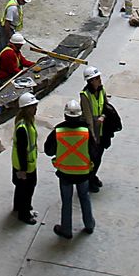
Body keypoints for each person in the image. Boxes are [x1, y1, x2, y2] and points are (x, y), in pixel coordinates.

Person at [43, 99, 95, 239]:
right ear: (79, 115)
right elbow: (94, 151)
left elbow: (48, 151)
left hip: (65, 173)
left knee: (66, 201)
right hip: (83, 173)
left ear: (65, 116)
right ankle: (89, 224)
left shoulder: (58, 131)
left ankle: (66, 229)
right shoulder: (86, 132)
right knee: (84, 197)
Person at [11, 91, 39, 225]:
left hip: (24, 164)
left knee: (21, 188)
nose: (35, 108)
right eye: (33, 106)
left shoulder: (26, 122)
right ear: (26, 109)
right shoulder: (23, 127)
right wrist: (23, 170)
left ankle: (18, 206)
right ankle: (24, 213)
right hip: (25, 165)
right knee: (27, 189)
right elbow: (22, 150)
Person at [79, 66, 106, 192]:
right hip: (92, 130)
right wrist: (93, 136)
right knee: (92, 157)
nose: (100, 80)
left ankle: (93, 176)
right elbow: (88, 117)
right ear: (90, 81)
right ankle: (89, 180)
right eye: (97, 78)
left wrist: (103, 116)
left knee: (98, 155)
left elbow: (106, 106)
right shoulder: (85, 95)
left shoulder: (101, 91)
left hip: (102, 128)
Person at [0, 0, 32, 66]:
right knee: (4, 49)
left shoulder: (17, 4)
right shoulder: (13, 8)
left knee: (2, 47)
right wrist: (10, 36)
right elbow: (7, 23)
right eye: (24, 1)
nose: (25, 3)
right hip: (6, 29)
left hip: (10, 28)